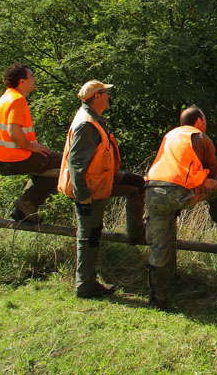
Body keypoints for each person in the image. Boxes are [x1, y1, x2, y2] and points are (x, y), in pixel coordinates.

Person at [144, 105, 217, 309]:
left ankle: (157, 298)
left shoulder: (169, 136)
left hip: (152, 190)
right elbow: (212, 175)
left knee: (159, 247)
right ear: (198, 121)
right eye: (204, 120)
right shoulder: (201, 138)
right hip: (179, 192)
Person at [57, 80, 146, 299]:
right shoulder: (86, 124)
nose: (108, 96)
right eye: (105, 93)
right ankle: (85, 285)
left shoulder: (92, 120)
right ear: (96, 96)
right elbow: (76, 163)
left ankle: (136, 234)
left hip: (101, 182)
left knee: (137, 184)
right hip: (91, 190)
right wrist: (83, 195)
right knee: (89, 236)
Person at [0, 63, 63, 225]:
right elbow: (15, 134)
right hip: (13, 158)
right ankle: (27, 203)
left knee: (45, 160)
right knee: (64, 161)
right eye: (31, 76)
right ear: (22, 82)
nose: (34, 79)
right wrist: (33, 147)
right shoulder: (17, 100)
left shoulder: (6, 97)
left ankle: (25, 207)